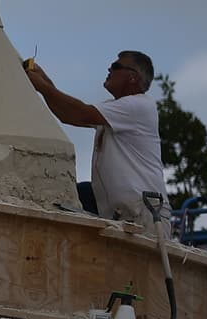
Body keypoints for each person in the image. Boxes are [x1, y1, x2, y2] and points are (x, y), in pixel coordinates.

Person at [24, 50, 166, 230]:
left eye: (116, 66)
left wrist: (43, 87)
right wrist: (45, 82)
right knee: (80, 192)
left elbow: (80, 114)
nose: (109, 69)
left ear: (133, 77)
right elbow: (68, 115)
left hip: (144, 216)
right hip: (128, 215)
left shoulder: (138, 106)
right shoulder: (115, 109)